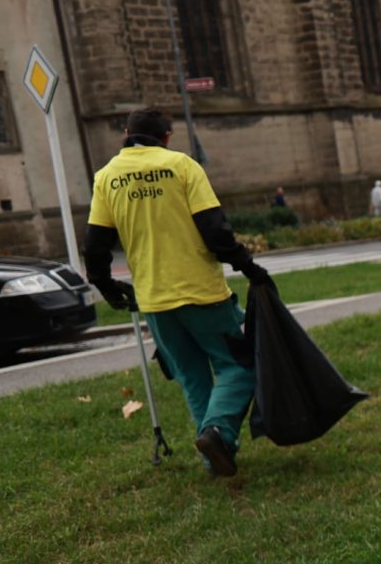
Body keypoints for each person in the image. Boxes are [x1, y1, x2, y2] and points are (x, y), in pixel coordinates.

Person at [82, 107, 272, 478]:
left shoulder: (107, 177)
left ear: (126, 134)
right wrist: (249, 267)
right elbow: (214, 230)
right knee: (240, 364)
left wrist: (105, 285)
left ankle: (214, 456)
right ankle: (218, 433)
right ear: (167, 136)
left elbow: (95, 243)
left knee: (192, 377)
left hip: (155, 300)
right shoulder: (182, 166)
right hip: (202, 293)